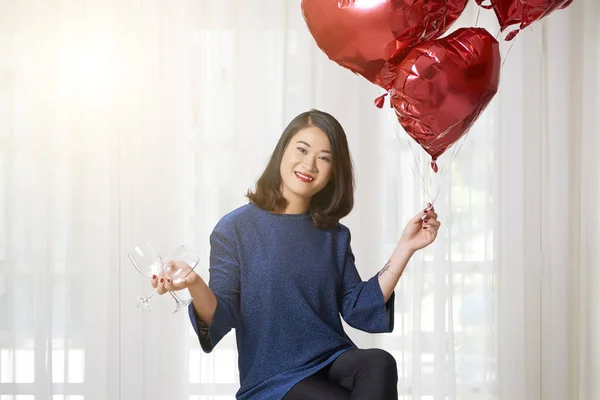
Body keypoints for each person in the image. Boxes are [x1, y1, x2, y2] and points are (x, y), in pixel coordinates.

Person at [152, 109, 441, 399]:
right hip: (272, 378)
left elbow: (358, 308)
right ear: (282, 152)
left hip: (330, 357)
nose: (309, 165)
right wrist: (194, 283)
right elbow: (222, 316)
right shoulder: (235, 229)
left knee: (380, 362)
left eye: (324, 158)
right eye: (302, 150)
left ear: (332, 174)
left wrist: (406, 247)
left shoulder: (335, 235)